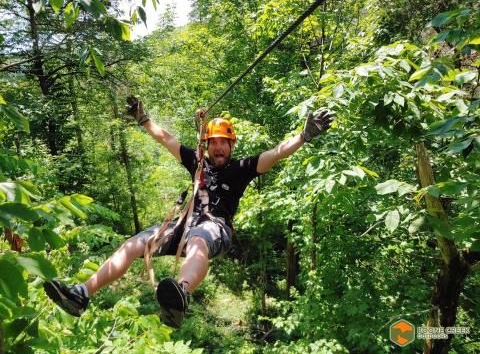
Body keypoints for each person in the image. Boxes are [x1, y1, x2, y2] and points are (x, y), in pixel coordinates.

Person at [43, 97, 333, 328]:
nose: (218, 146)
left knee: (198, 241)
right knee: (133, 245)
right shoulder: (197, 163)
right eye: (213, 142)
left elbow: (275, 154)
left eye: (223, 142)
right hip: (183, 223)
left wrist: (303, 136)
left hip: (214, 227)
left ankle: (180, 293)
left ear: (232, 145)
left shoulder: (240, 169)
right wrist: (144, 120)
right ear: (206, 145)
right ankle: (82, 294)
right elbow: (166, 139)